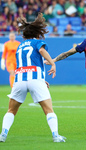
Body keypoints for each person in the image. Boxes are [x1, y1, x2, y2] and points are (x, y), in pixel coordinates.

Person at [0, 13, 66, 142]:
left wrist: (41, 79)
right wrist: (52, 63)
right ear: (37, 33)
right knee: (48, 109)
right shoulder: (37, 42)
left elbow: (25, 65)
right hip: (35, 79)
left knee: (11, 110)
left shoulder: (20, 46)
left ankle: (3, 134)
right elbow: (41, 51)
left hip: (19, 79)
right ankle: (56, 136)